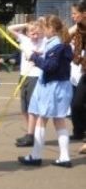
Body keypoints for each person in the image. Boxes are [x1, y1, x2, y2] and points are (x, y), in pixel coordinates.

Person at [18, 15, 73, 168]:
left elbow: (50, 66)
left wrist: (34, 57)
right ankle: (64, 157)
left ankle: (36, 156)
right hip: (60, 87)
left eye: (44, 27)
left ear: (51, 29)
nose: (42, 30)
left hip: (53, 87)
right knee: (59, 120)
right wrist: (39, 56)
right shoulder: (61, 44)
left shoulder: (57, 45)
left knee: (42, 120)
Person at [7, 20, 45, 147]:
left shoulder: (44, 41)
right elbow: (10, 28)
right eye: (32, 33)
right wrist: (26, 25)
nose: (35, 36)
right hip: (24, 76)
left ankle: (31, 135)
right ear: (27, 33)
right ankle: (30, 133)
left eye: (37, 33)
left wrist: (41, 26)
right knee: (24, 107)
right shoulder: (24, 40)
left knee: (32, 107)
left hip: (36, 76)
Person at [69, 0, 86, 153]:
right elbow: (74, 52)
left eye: (75, 14)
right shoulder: (79, 29)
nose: (73, 16)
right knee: (76, 104)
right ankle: (79, 131)